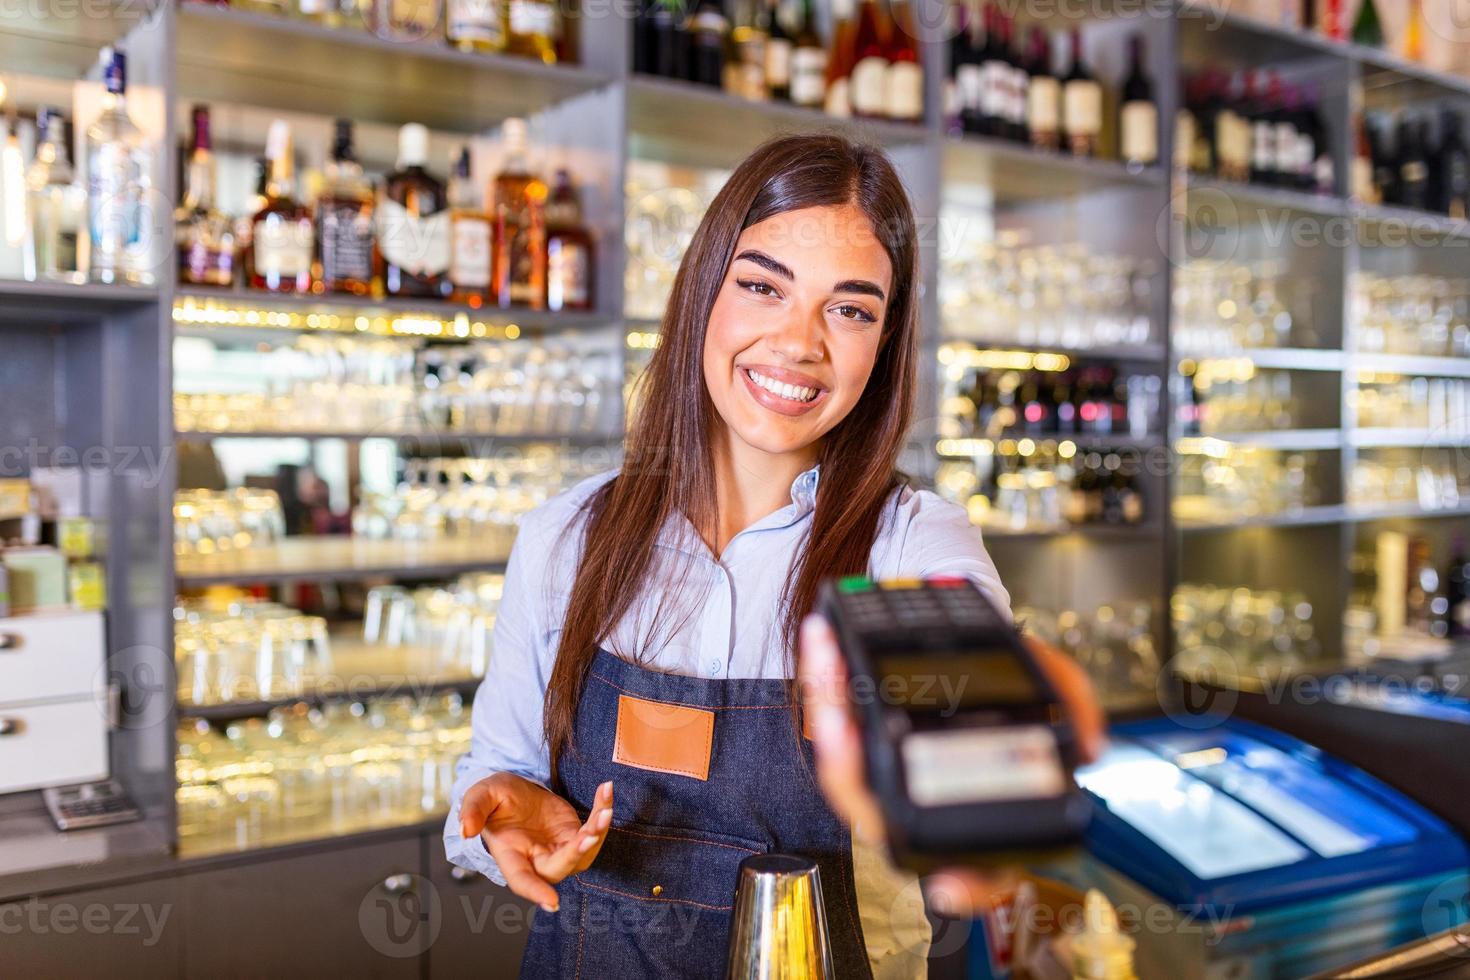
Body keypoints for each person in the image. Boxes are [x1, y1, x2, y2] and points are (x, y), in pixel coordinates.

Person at [443, 133, 1103, 978]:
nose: (800, 342)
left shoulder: (911, 546)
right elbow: (496, 772)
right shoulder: (568, 537)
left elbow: (978, 731)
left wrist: (993, 776)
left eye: (851, 308)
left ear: (885, 343)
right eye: (763, 287)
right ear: (703, 292)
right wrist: (508, 811)